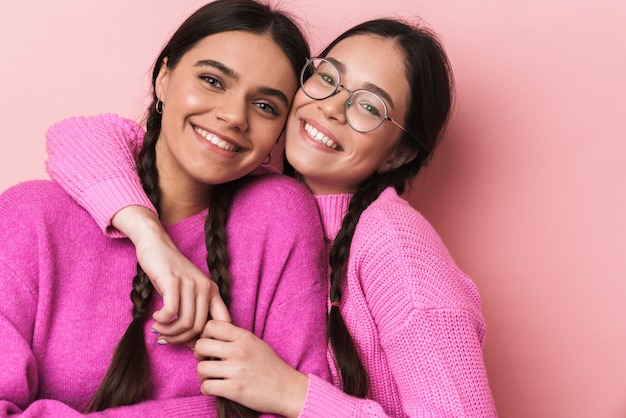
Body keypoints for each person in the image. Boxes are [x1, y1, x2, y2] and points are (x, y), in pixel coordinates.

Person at [44, 17, 498, 418]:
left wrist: (294, 393)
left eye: (369, 106)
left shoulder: (397, 245)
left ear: (398, 154)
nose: (331, 107)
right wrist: (150, 238)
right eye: (327, 78)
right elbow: (79, 137)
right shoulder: (259, 187)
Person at [0, 1, 330, 416]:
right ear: (163, 78)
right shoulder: (29, 218)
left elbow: (297, 398)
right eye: (212, 80)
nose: (232, 116)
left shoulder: (279, 216)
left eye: (265, 106)